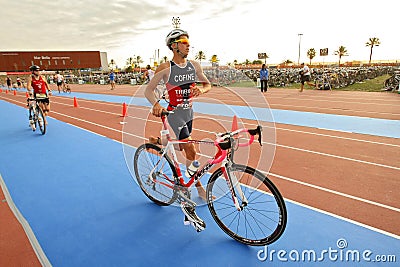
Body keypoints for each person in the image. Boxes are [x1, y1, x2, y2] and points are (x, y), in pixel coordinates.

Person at [145, 28, 211, 202]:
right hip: (174, 113)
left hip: (189, 112)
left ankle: (159, 142)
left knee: (182, 147)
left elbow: (207, 84)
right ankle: (198, 187)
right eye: (184, 43)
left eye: (189, 43)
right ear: (174, 46)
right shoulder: (166, 68)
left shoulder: (194, 65)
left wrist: (202, 89)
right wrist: (156, 104)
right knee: (190, 149)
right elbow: (149, 91)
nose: (188, 46)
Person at [27, 65, 51, 130]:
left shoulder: (42, 77)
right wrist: (30, 91)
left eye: (38, 70)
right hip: (37, 94)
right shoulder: (30, 78)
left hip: (44, 94)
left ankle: (43, 117)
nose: (38, 72)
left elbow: (46, 84)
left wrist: (49, 90)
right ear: (33, 71)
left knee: (47, 109)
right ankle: (44, 120)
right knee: (41, 108)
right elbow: (28, 86)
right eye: (36, 70)